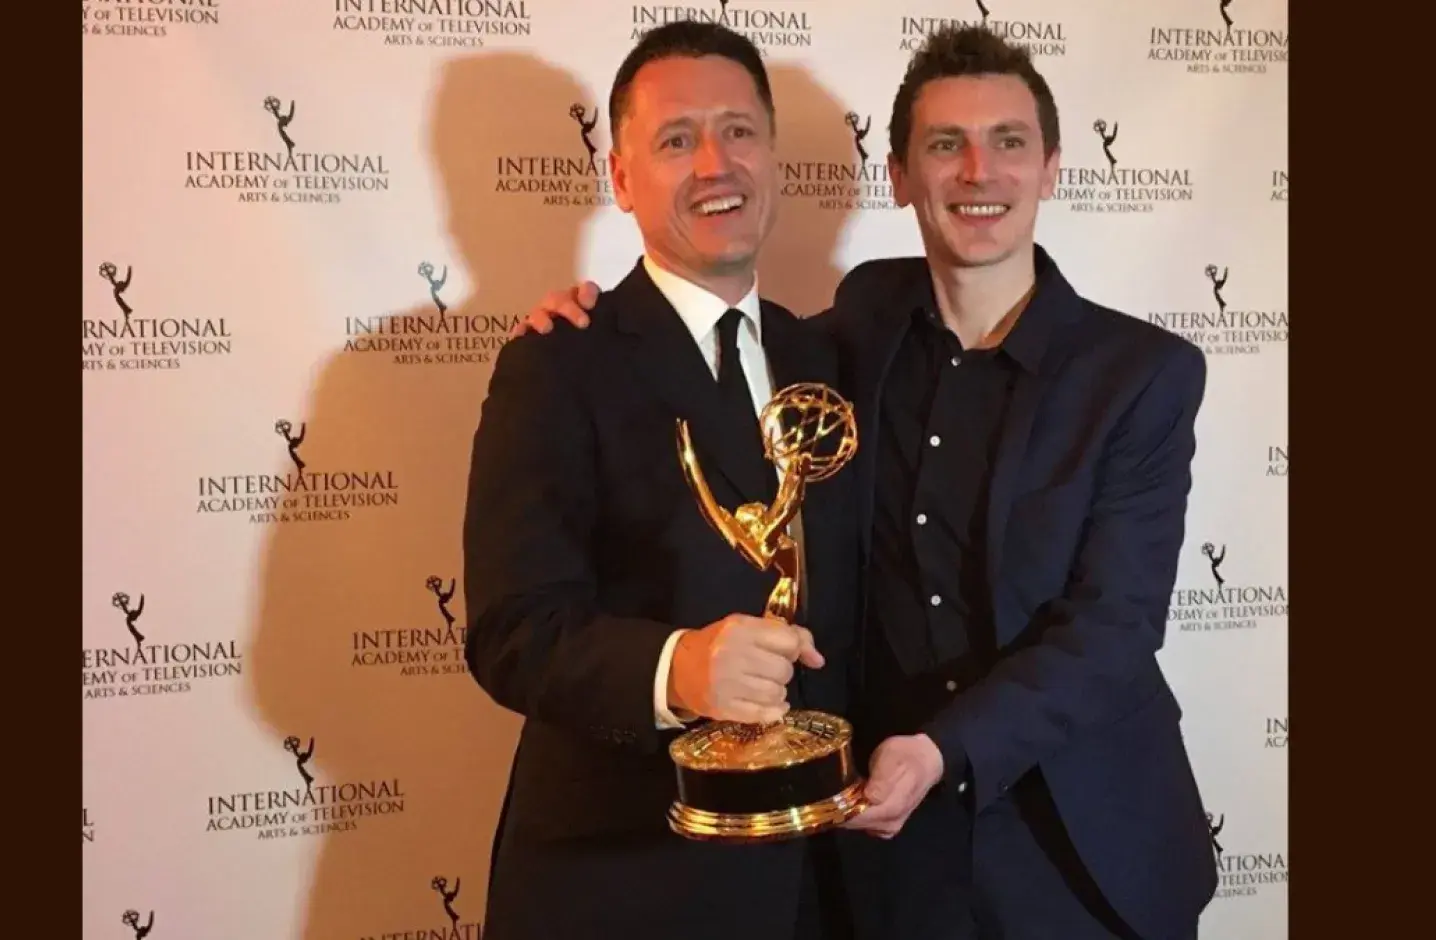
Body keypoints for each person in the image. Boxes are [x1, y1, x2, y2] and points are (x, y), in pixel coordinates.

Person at [510, 23, 1220, 940]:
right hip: (884, 850)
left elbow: (1114, 626)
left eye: (1009, 142)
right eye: (944, 145)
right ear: (896, 175)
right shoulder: (849, 334)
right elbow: (702, 357)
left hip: (1075, 843)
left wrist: (944, 751)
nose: (979, 172)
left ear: (1050, 168)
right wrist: (582, 320)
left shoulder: (1143, 374)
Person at [461, 20, 863, 940]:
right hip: (623, 884)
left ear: (776, 158)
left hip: (814, 878)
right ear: (622, 178)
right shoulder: (559, 363)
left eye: (741, 131)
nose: (716, 163)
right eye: (677, 140)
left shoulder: (831, 355)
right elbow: (511, 631)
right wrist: (678, 667)